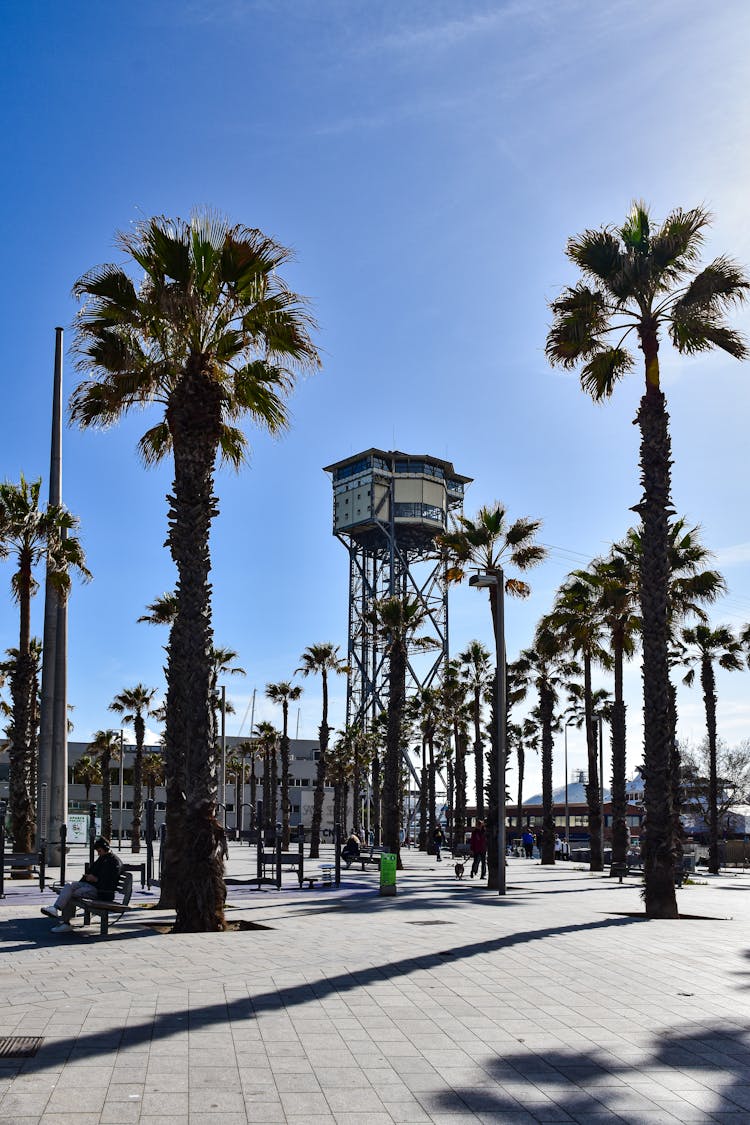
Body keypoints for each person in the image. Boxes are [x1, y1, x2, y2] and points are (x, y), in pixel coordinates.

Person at [41, 837, 122, 934]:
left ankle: (66, 923)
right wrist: (87, 877)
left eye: (99, 851)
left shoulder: (114, 862)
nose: (98, 853)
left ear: (106, 848)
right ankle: (55, 909)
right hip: (91, 886)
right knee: (68, 886)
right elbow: (92, 871)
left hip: (101, 892)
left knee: (69, 894)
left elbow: (110, 881)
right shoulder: (102, 858)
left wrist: (95, 879)